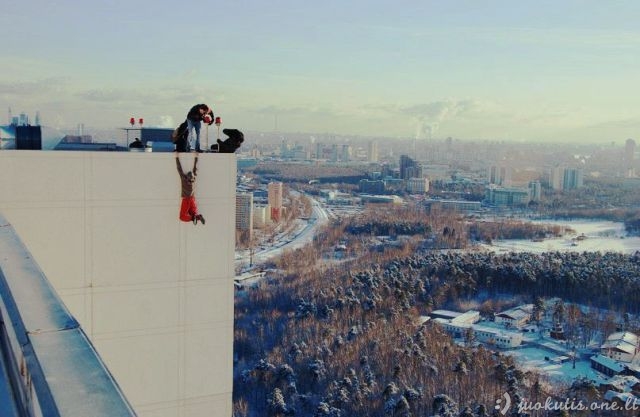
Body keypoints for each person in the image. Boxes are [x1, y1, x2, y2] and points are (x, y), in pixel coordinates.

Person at [175, 154, 205, 225]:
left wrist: (177, 157)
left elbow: (179, 169)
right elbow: (195, 169)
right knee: (193, 213)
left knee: (182, 217)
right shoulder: (194, 179)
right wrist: (196, 157)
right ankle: (197, 217)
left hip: (187, 200)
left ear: (186, 177)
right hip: (192, 199)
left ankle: (194, 218)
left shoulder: (184, 180)